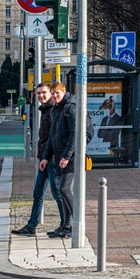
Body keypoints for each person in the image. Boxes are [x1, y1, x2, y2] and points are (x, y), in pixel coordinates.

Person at [40, 82, 94, 239]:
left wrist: (66, 156)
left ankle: (77, 222)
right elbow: (52, 136)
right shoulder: (56, 110)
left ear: (64, 92)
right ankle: (66, 226)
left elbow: (75, 135)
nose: (55, 95)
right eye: (53, 93)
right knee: (61, 191)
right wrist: (45, 157)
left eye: (58, 93)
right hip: (60, 155)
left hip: (72, 156)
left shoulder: (71, 108)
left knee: (64, 189)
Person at [12, 82, 65, 236]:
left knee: (57, 193)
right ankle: (32, 225)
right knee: (38, 193)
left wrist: (47, 157)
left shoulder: (52, 110)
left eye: (44, 93)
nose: (41, 96)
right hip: (45, 158)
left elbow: (52, 138)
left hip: (52, 159)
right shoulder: (46, 109)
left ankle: (66, 225)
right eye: (39, 93)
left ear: (50, 93)